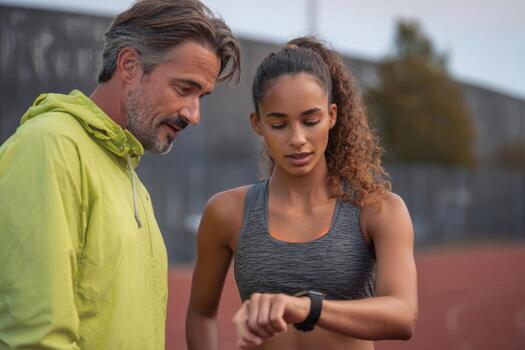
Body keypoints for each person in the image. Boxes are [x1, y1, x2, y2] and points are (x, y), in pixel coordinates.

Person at [0, 0, 240, 349]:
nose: (194, 114)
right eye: (184, 88)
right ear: (129, 65)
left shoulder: (131, 180)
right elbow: (34, 337)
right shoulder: (50, 146)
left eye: (201, 95)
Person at [186, 36, 417, 350]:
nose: (297, 138)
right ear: (257, 124)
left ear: (332, 116)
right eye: (279, 124)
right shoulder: (227, 212)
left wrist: (307, 307)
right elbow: (201, 314)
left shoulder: (377, 210)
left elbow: (403, 315)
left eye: (311, 121)